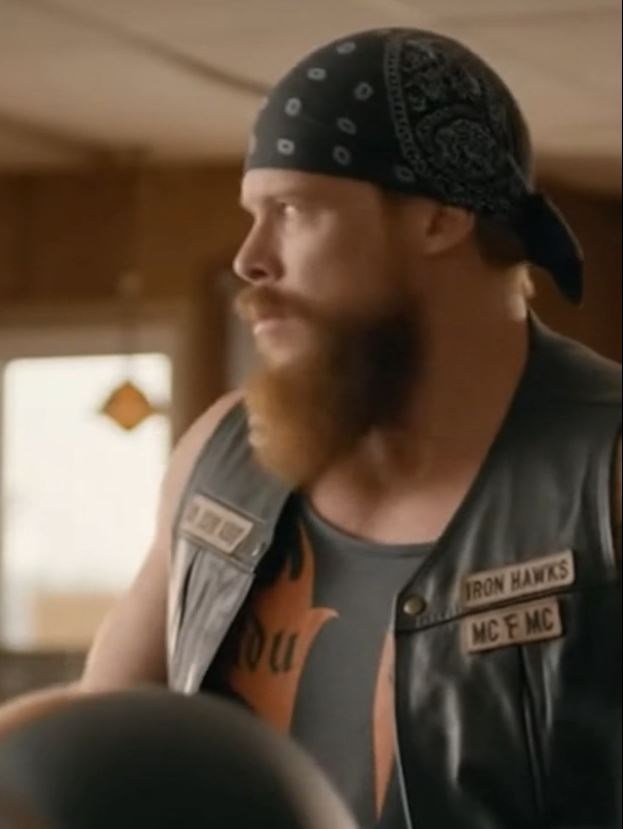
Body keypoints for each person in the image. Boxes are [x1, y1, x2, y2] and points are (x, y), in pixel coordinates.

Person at [0, 27, 620, 829]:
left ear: (440, 218)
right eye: (253, 215)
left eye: (291, 210)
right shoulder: (222, 456)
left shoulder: (604, 475)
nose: (249, 258)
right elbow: (93, 749)